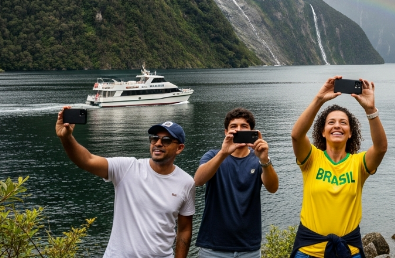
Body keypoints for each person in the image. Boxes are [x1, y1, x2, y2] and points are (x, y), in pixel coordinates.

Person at [55, 107, 195, 258]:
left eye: (166, 140)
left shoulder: (186, 182)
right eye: (155, 138)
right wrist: (66, 137)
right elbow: (87, 161)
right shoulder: (127, 168)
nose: (158, 143)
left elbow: (185, 229)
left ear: (179, 148)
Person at [289, 76, 388, 258]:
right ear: (323, 131)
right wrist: (319, 99)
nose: (337, 126)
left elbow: (381, 148)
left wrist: (370, 110)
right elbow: (296, 135)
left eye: (343, 123)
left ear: (350, 133)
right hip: (308, 251)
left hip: (349, 251)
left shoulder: (358, 163)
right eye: (331, 122)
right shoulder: (311, 158)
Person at [194, 108, 279, 258]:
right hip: (213, 248)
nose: (238, 130)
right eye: (233, 127)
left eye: (244, 127)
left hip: (249, 249)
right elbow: (199, 180)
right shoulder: (213, 156)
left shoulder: (258, 160)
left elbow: (272, 188)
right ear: (226, 132)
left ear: (252, 131)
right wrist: (223, 153)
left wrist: (264, 160)